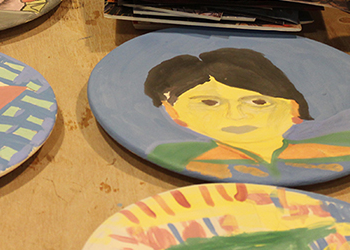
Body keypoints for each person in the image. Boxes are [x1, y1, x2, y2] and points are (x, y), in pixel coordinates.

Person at [145, 47, 350, 179]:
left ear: (293, 108)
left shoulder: (340, 146)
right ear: (173, 112)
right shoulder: (174, 156)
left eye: (258, 102)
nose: (236, 115)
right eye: (209, 102)